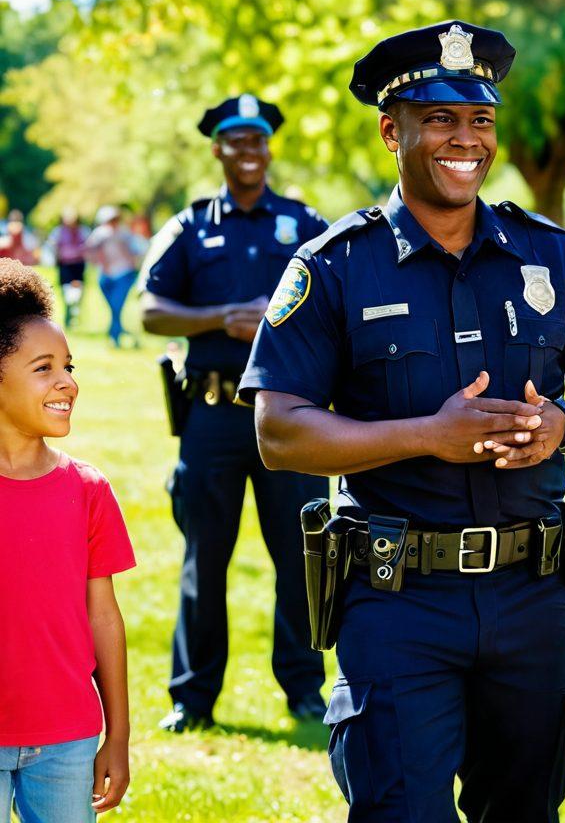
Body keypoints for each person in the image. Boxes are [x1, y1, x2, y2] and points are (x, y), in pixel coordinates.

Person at [237, 21, 565, 822]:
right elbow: (278, 432)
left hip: (533, 595)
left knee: (525, 810)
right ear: (394, 131)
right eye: (441, 119)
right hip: (397, 601)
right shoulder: (334, 265)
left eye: (481, 121)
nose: (466, 140)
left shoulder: (549, 256)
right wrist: (427, 432)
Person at [139, 95, 329, 732]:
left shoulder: (306, 223)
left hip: (291, 416)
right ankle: (192, 699)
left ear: (269, 149)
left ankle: (305, 690)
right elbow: (150, 310)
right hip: (212, 416)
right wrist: (220, 317)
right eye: (235, 141)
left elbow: (340, 304)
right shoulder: (190, 227)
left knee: (302, 558)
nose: (248, 151)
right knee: (205, 558)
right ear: (217, 149)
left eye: (258, 141)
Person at [0, 260, 135, 820]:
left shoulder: (88, 490)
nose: (67, 382)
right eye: (43, 367)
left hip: (68, 741)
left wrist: (119, 736)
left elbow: (104, 616)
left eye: (68, 366)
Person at [86, 205, 145, 349]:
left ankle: (115, 336)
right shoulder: (99, 234)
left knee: (117, 306)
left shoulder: (125, 234)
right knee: (114, 308)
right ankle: (123, 333)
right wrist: (98, 261)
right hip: (105, 276)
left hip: (123, 274)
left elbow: (138, 251)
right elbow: (89, 250)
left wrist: (131, 261)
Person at [45, 208, 90, 329]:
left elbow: (88, 245)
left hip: (78, 264)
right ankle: (69, 314)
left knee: (77, 290)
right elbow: (52, 245)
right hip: (65, 264)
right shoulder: (59, 231)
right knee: (66, 291)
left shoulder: (83, 231)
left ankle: (74, 310)